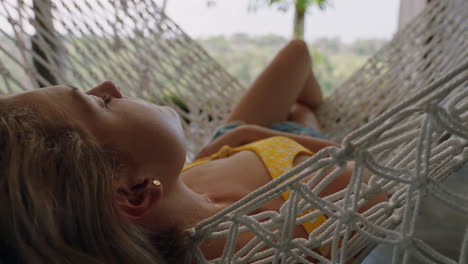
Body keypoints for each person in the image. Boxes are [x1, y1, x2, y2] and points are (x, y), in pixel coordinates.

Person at [0, 40, 386, 263]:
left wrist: (245, 135)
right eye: (100, 105)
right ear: (133, 193)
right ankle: (306, 113)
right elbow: (380, 171)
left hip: (220, 149)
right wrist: (266, 133)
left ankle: (305, 111)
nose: (109, 85)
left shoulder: (154, 202)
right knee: (299, 65)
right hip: (294, 148)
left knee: (297, 54)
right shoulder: (270, 236)